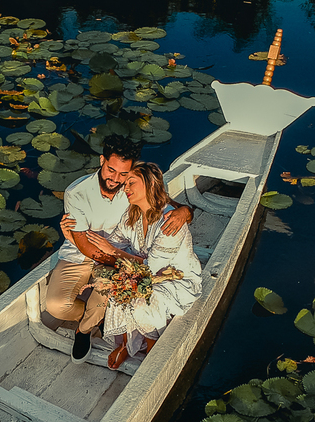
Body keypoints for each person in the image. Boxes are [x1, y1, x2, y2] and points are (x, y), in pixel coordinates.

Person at [44, 135, 191, 362]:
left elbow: (167, 203)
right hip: (81, 252)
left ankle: (83, 330)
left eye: (123, 174)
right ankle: (100, 317)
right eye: (111, 170)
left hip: (121, 253)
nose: (116, 179)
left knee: (105, 289)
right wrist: (122, 262)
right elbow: (85, 246)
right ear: (102, 160)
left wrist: (185, 212)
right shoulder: (77, 192)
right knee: (56, 306)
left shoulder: (133, 186)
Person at [67, 162, 202, 370]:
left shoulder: (169, 220)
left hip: (174, 278)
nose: (125, 188)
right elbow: (115, 241)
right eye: (126, 184)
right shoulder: (133, 214)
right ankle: (127, 345)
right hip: (144, 272)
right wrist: (74, 237)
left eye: (131, 182)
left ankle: (151, 347)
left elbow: (149, 267)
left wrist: (114, 252)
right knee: (117, 289)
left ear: (150, 184)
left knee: (142, 302)